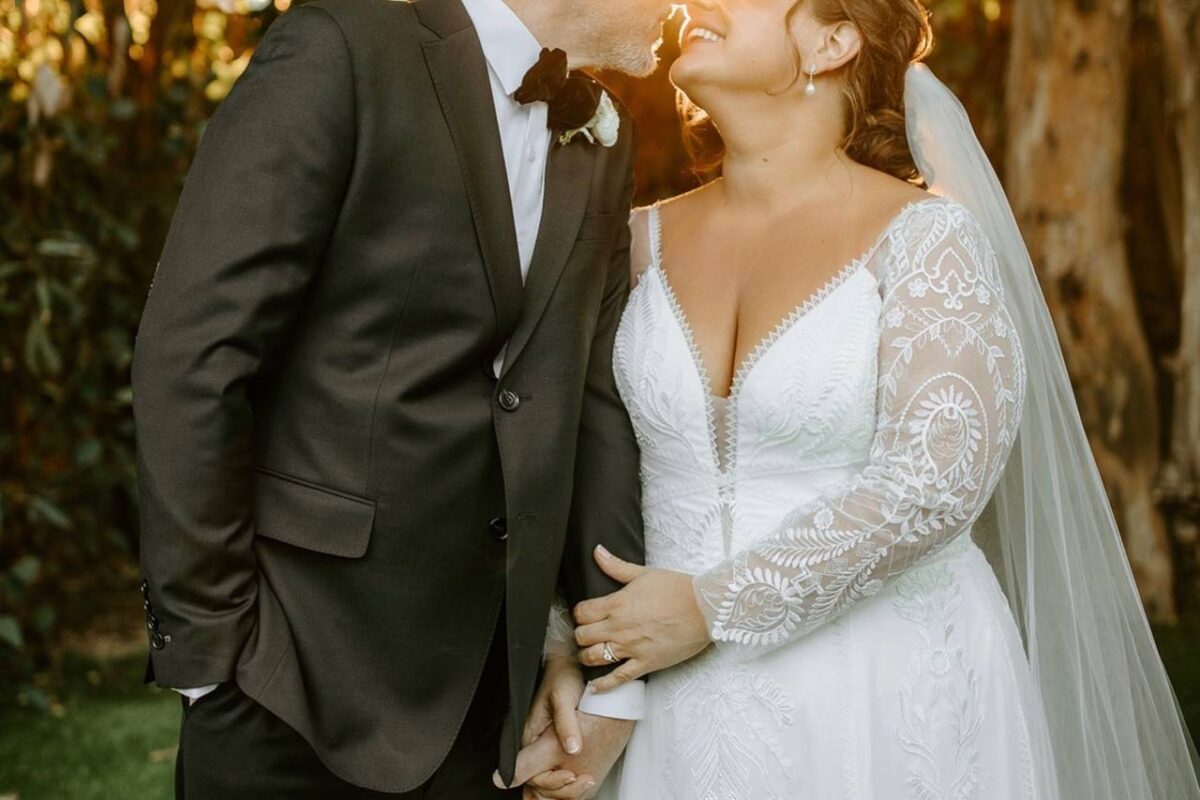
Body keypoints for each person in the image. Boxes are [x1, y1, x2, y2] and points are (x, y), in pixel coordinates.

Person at [510, 0, 1200, 796]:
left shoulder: (928, 240)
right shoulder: (628, 241)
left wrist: (715, 607)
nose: (696, 2)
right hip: (667, 697)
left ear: (833, 41)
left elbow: (935, 481)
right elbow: (575, 464)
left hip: (880, 695)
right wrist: (575, 648)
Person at [130, 0, 673, 795]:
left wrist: (607, 672)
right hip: (291, 675)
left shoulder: (602, 135)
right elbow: (195, 353)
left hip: (487, 699)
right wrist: (208, 658)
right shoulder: (342, 47)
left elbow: (591, 404)